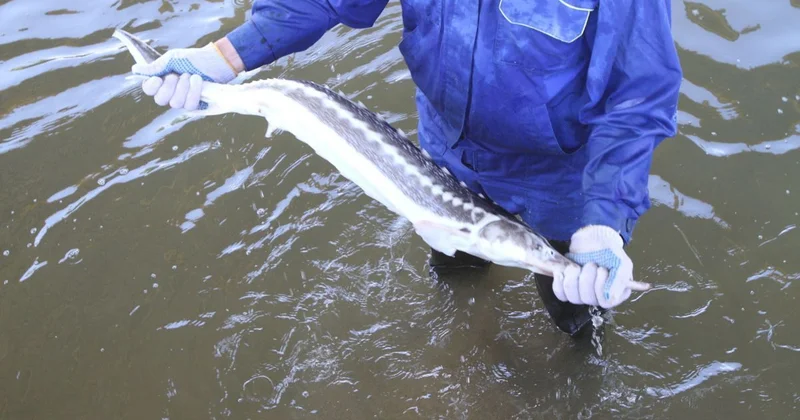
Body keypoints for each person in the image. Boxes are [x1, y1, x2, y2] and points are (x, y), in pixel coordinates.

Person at [131, 0, 681, 336]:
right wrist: (221, 59)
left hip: (557, 173)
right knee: (455, 268)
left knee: (570, 294)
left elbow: (639, 97)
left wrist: (602, 221)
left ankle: (577, 360)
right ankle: (469, 329)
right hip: (442, 155)